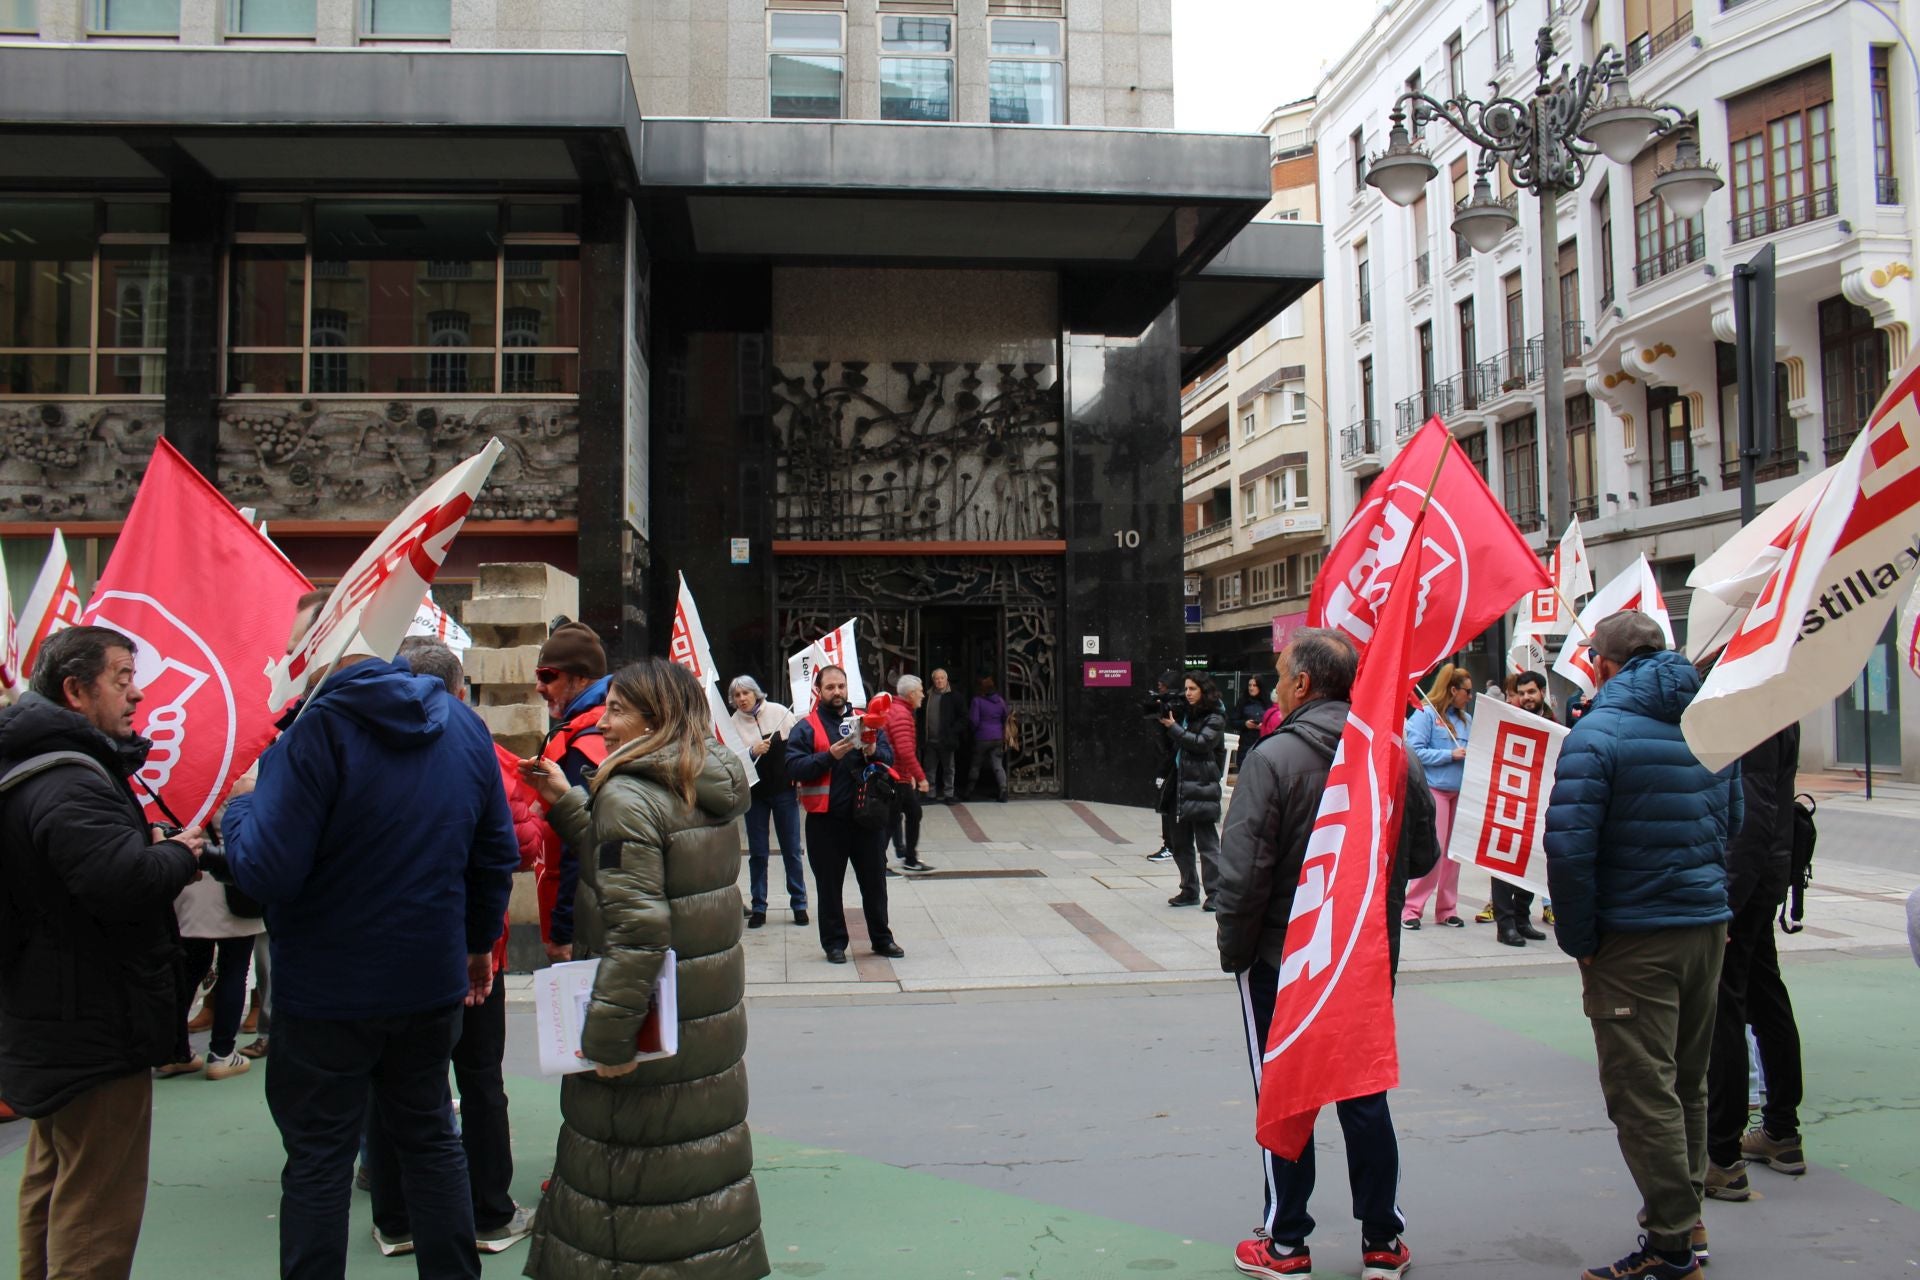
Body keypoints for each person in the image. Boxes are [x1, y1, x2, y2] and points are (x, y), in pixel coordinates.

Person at [222, 635, 520, 1280]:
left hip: (327, 990)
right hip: (426, 977)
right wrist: (474, 945)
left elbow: (264, 871)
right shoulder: (464, 728)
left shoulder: (312, 736)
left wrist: (241, 804)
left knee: (320, 1158)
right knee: (430, 1138)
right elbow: (495, 853)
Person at [519, 659, 768, 1280]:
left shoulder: (628, 791)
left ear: (654, 720)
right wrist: (572, 806)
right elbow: (648, 870)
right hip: (700, 1028)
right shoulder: (704, 780)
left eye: (619, 709)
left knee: (631, 1206)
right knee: (697, 1184)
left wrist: (607, 1039)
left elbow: (637, 928)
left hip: (643, 1029)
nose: (604, 720)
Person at [1213, 627, 1429, 1280]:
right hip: (1362, 960)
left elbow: (1243, 873)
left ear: (1303, 684)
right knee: (1364, 1095)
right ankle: (1382, 1243)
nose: (1276, 682)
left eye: (1281, 673)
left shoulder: (1272, 758)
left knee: (1285, 1093)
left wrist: (1236, 952)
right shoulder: (1391, 752)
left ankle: (1286, 1243)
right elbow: (1422, 857)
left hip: (1286, 960)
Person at [0, 626, 204, 1280]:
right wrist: (177, 853)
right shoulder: (68, 778)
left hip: (47, 1014)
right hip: (92, 1020)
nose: (138, 694)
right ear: (75, 690)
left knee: (53, 1180)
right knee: (96, 1206)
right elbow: (118, 885)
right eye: (121, 678)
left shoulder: (36, 765)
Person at [1544, 611, 1741, 1280]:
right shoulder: (1707, 718)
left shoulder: (1597, 733)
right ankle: (1687, 1221)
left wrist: (1581, 940)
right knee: (1685, 1080)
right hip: (1703, 924)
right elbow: (1734, 820)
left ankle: (1671, 1243)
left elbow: (1570, 850)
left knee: (1642, 1090)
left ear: (1601, 664)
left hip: (1634, 935)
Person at [359, 637, 537, 1258]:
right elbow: (511, 845)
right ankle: (489, 1212)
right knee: (479, 1078)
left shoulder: (354, 748)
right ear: (461, 691)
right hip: (472, 950)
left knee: (394, 1084)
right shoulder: (482, 752)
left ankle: (397, 1217)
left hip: (388, 952)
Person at [1704, 718, 1805, 1202]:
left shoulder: (1753, 703)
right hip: (1768, 867)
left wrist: (1726, 898)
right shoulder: (1779, 699)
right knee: (1764, 993)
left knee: (1728, 1001)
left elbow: (1752, 806)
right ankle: (1780, 1130)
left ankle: (1722, 1153)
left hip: (1747, 875)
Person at [786, 666, 905, 964]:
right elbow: (793, 767)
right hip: (826, 821)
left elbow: (890, 759)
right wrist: (830, 756)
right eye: (830, 687)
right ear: (819, 690)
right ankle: (835, 944)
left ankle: (882, 938)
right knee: (829, 887)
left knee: (875, 882)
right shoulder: (807, 726)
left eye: (841, 686)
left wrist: (874, 749)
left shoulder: (867, 719)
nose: (837, 692)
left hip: (867, 818)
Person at [534, 621, 611, 963]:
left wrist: (563, 929)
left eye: (548, 676)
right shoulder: (585, 728)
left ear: (580, 679)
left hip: (589, 920)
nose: (539, 686)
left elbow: (579, 841)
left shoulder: (589, 737)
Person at [164, 834, 267, 1080]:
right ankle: (222, 1053)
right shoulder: (242, 794)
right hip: (231, 881)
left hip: (190, 882)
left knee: (188, 970)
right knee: (234, 969)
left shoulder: (181, 796)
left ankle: (174, 1051)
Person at [728, 675, 809, 928]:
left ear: (755, 693)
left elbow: (799, 748)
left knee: (791, 850)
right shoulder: (732, 724)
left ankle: (799, 903)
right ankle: (759, 906)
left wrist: (798, 778)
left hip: (784, 791)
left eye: (745, 693)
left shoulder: (779, 713)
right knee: (758, 852)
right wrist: (752, 751)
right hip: (755, 794)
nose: (742, 699)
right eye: (737, 695)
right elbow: (731, 760)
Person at [1483, 670, 1553, 948]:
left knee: (1531, 861)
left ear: (1542, 693)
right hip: (1510, 800)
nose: (1526, 698)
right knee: (1503, 865)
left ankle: (1522, 919)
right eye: (1522, 693)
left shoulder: (1553, 721)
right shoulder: (1507, 718)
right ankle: (1505, 925)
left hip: (1538, 803)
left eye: (1531, 692)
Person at [1402, 664, 1473, 931]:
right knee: (1434, 850)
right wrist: (1448, 755)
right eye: (1466, 690)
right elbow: (1414, 751)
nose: (1470, 695)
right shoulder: (1426, 715)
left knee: (1452, 856)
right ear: (1453, 689)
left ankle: (1447, 909)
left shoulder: (1465, 719)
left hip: (1459, 792)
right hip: (1435, 791)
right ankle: (1412, 908)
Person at [1162, 674, 1226, 910]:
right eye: (1186, 688)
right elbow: (1171, 745)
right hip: (1179, 783)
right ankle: (1189, 890)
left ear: (1204, 690)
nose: (1188, 693)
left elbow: (1202, 743)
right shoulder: (1185, 713)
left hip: (1201, 785)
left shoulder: (1215, 715)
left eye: (1193, 688)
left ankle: (1216, 894)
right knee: (1180, 842)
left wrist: (1175, 728)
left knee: (1207, 844)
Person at [887, 675, 935, 873]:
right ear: (911, 694)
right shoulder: (901, 714)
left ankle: (910, 857)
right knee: (891, 820)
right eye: (920, 691)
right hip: (896, 776)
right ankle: (883, 862)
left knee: (910, 813)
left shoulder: (898, 710)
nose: (923, 695)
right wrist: (921, 776)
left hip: (899, 775)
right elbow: (905, 750)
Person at [1145, 671, 1180, 862]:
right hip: (1168, 762)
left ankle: (1172, 846)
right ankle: (1172, 845)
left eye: (1164, 686)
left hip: (1177, 765)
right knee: (1167, 806)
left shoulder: (1188, 712)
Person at [923, 668, 964, 803]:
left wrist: (952, 731)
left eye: (942, 678)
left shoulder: (955, 696)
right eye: (936, 678)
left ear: (946, 680)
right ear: (933, 680)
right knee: (930, 769)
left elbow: (963, 717)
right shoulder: (927, 695)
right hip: (930, 740)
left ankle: (949, 794)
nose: (939, 681)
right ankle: (931, 794)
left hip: (946, 740)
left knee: (949, 769)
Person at [966, 675, 1010, 802]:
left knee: (976, 764)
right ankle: (1003, 790)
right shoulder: (1001, 701)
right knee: (997, 764)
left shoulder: (977, 701)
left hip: (982, 737)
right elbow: (1005, 717)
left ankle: (969, 791)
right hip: (997, 737)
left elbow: (974, 720)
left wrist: (974, 732)